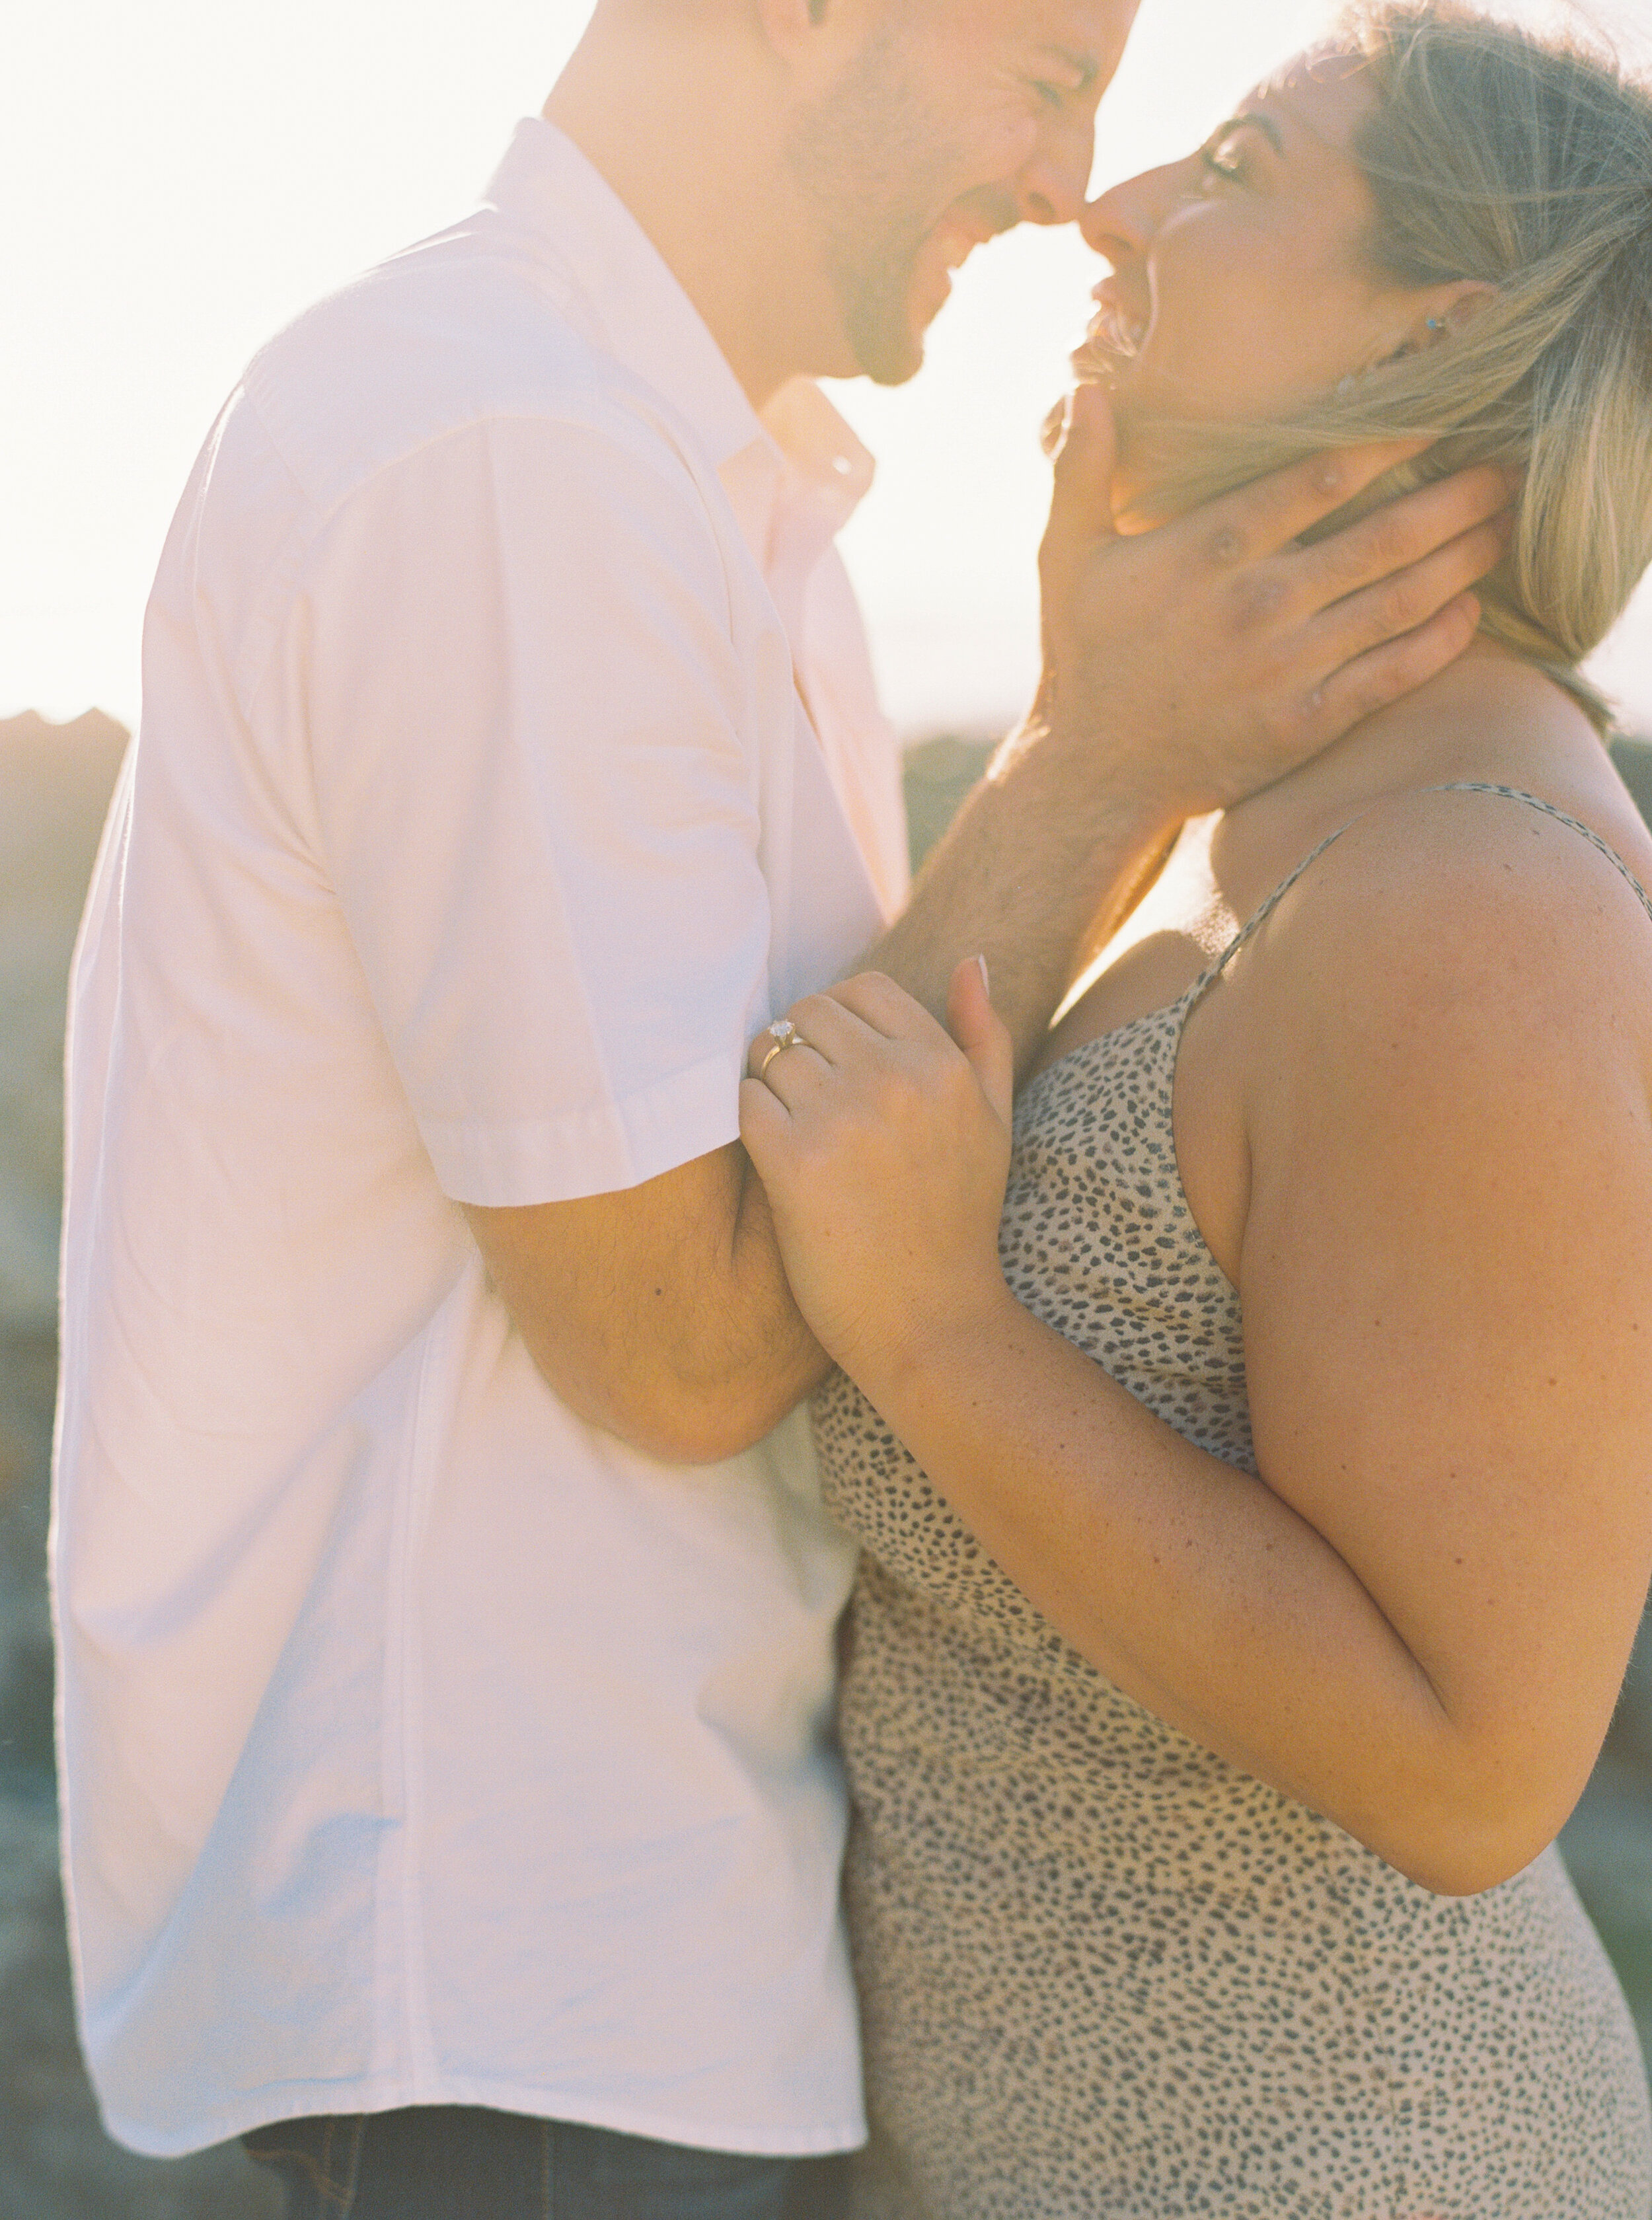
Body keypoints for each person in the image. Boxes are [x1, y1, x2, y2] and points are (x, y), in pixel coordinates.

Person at [51, 0, 1513, 2213]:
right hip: (518, 1948)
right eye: (1041, 72)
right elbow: (682, 1337)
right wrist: (1104, 760)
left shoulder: (700, 478)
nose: (1061, 187)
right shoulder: (503, 451)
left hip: (632, 1938)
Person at [743, 6, 1652, 2213]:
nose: (1114, 204)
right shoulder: (1287, 833)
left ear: (1432, 327)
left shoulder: (1476, 907)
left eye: (1236, 172)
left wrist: (942, 1336)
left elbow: (1470, 1766)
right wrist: (1092, 728)